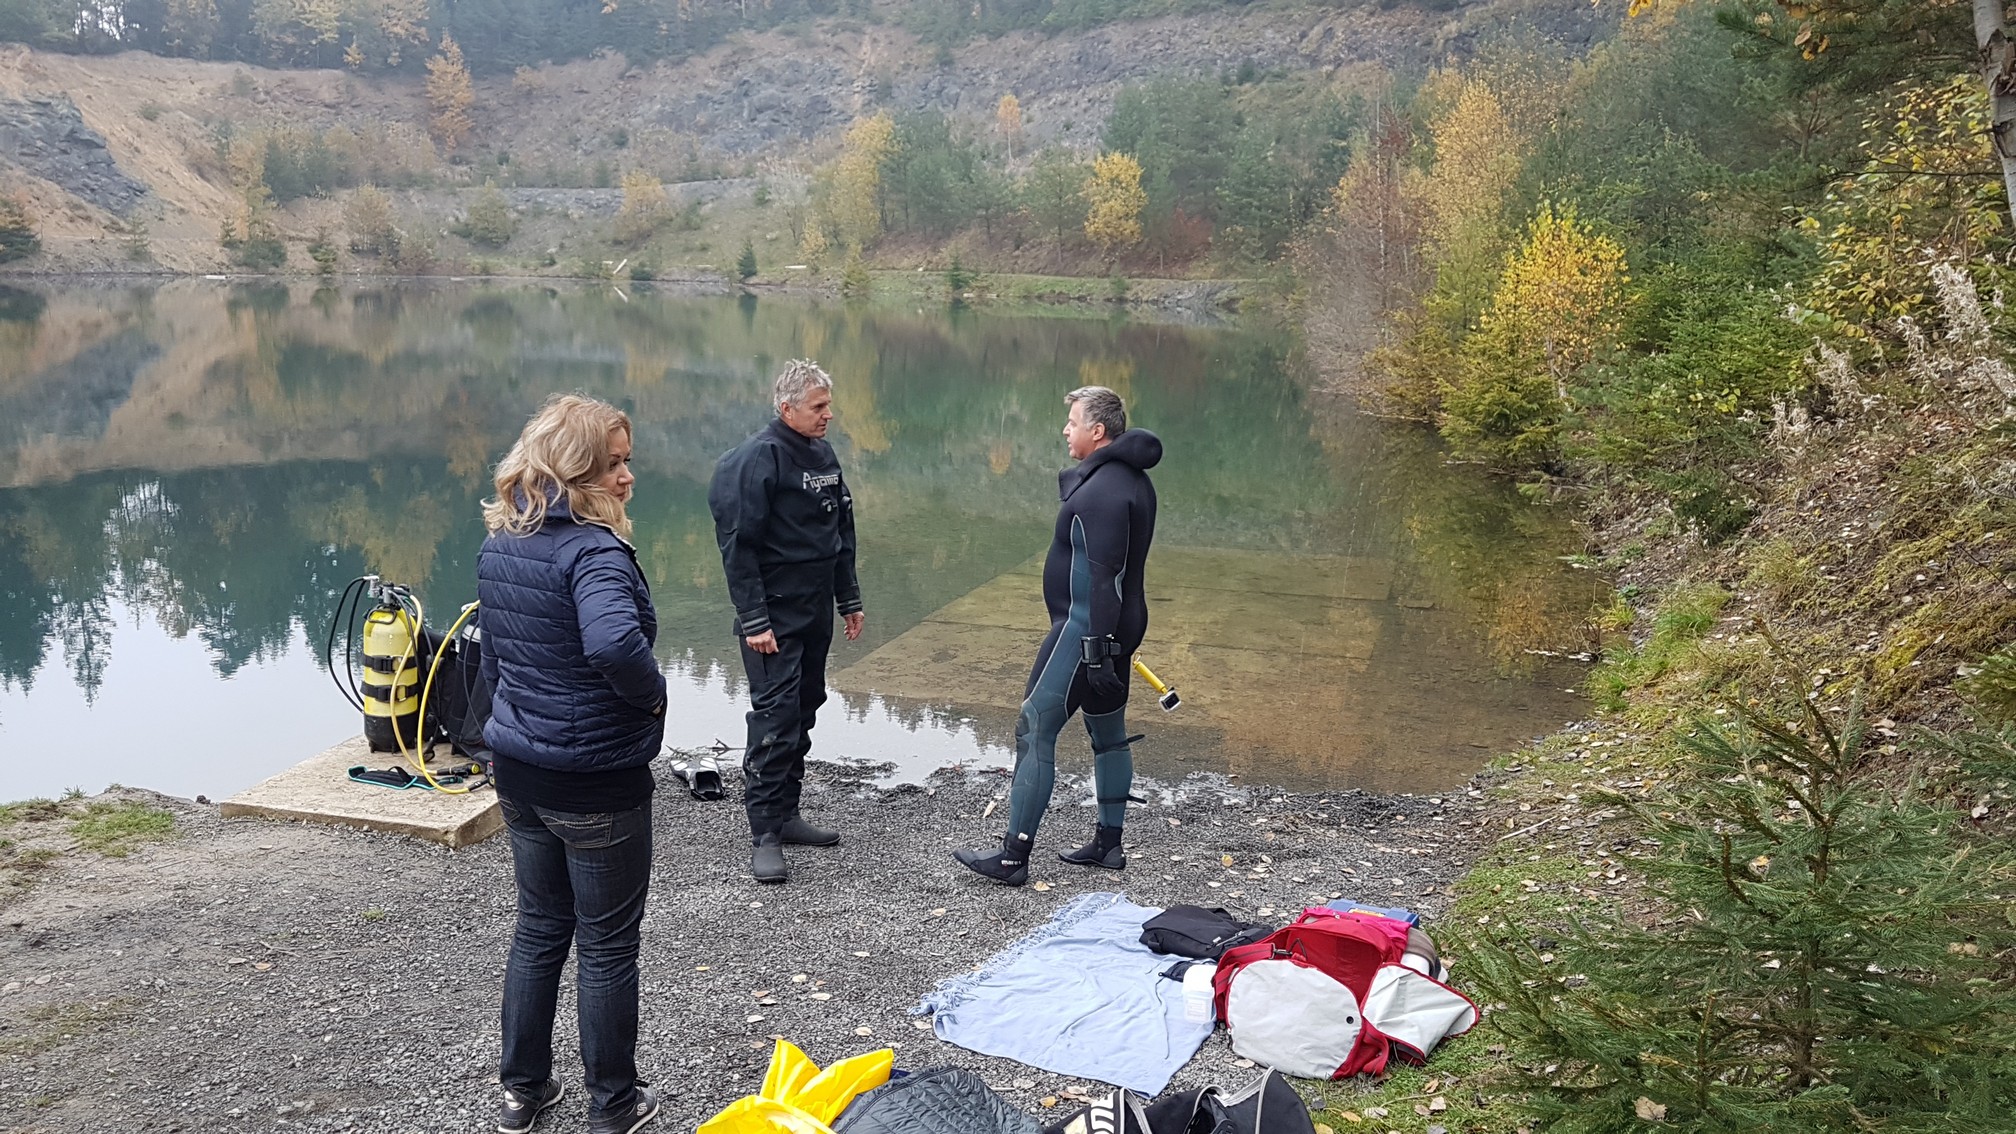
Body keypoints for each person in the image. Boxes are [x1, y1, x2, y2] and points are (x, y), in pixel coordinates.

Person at [478, 393, 666, 1134]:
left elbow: (495, 659)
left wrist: (502, 732)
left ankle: (522, 1093)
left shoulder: (502, 543)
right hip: (595, 783)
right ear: (574, 470)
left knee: (538, 927)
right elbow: (616, 645)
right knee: (608, 945)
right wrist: (653, 698)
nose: (627, 477)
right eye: (613, 464)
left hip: (520, 771)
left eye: (627, 461)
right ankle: (613, 1104)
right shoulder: (594, 551)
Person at [955, 385, 1160, 887]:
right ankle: (1107, 846)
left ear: (1098, 430)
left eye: (1072, 422)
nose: (1065, 430)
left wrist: (1097, 653)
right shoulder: (1133, 481)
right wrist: (1111, 648)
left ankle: (1012, 858)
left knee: (1034, 727)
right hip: (1117, 628)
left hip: (1085, 628)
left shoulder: (1102, 491)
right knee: (1108, 735)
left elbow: (1104, 575)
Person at [709, 359, 865, 884]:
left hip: (814, 608)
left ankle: (788, 814)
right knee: (774, 719)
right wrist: (753, 618)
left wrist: (848, 598)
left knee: (805, 706)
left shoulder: (823, 454)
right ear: (787, 408)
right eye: (818, 407)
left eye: (828, 405)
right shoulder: (758, 459)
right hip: (772, 616)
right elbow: (738, 545)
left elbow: (841, 530)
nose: (828, 415)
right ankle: (764, 834)